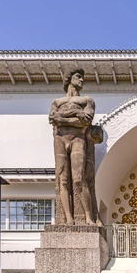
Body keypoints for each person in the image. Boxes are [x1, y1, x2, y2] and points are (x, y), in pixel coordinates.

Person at [49, 68, 96, 225]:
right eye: (78, 77)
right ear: (69, 79)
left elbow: (85, 121)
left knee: (78, 178)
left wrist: (63, 118)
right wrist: (75, 114)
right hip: (60, 139)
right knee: (62, 178)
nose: (81, 80)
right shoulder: (57, 102)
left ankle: (88, 217)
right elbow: (53, 119)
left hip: (78, 139)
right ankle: (68, 217)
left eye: (82, 77)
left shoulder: (87, 100)